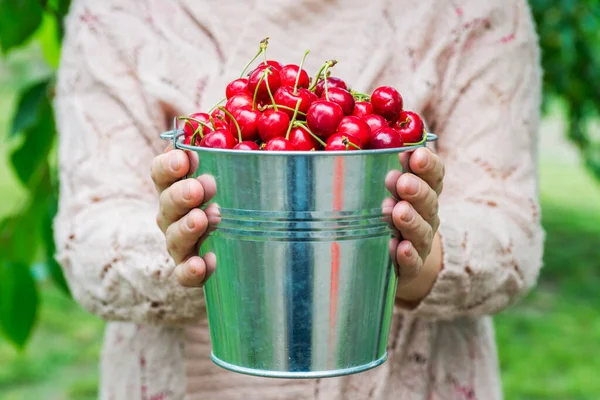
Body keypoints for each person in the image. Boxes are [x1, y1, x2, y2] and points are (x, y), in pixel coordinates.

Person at [53, 0, 544, 399]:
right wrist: (185, 240)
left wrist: (412, 254)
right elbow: (89, 243)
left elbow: (511, 237)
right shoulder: (116, 11)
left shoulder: (476, 10)